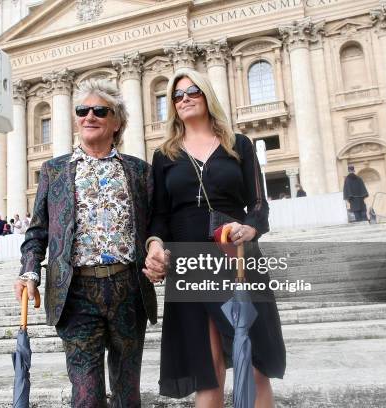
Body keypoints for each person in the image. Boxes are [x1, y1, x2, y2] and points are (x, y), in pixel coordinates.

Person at [144, 68, 286, 407]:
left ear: (206, 95)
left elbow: (259, 206)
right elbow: (159, 217)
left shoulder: (239, 144)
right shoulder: (164, 155)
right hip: (190, 264)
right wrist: (154, 246)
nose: (184, 99)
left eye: (192, 91)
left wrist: (251, 228)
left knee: (253, 364)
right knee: (207, 372)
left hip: (237, 257)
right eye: (176, 96)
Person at [15, 79, 157, 407]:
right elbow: (37, 232)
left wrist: (157, 248)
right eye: (82, 110)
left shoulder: (139, 172)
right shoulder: (54, 171)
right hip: (75, 292)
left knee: (127, 390)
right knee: (86, 394)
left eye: (99, 110)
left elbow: (155, 227)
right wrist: (29, 272)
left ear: (117, 122)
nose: (89, 116)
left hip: (128, 289)